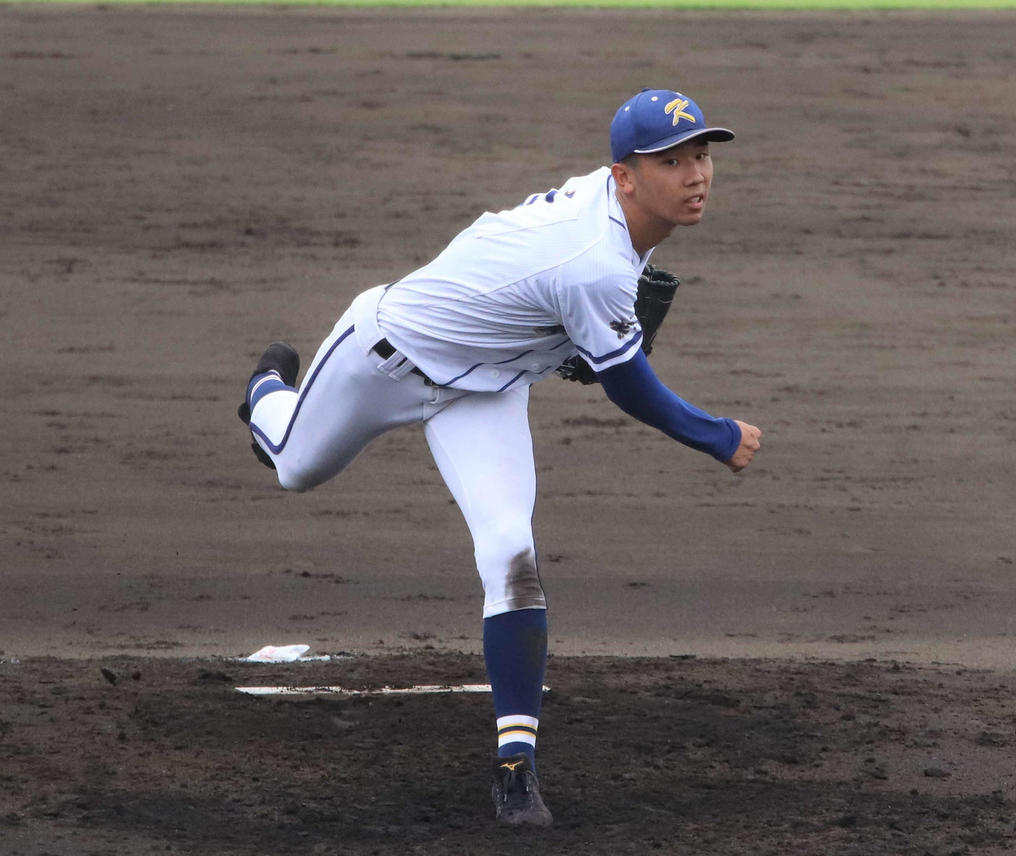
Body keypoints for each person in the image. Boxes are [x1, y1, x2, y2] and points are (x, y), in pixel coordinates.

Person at [236, 88, 762, 827]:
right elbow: (631, 389)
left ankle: (516, 765)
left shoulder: (612, 225)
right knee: (294, 465)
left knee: (511, 551)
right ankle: (265, 391)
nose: (697, 174)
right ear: (624, 176)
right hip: (381, 359)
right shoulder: (594, 263)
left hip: (485, 390)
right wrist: (717, 435)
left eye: (703, 155)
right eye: (671, 161)